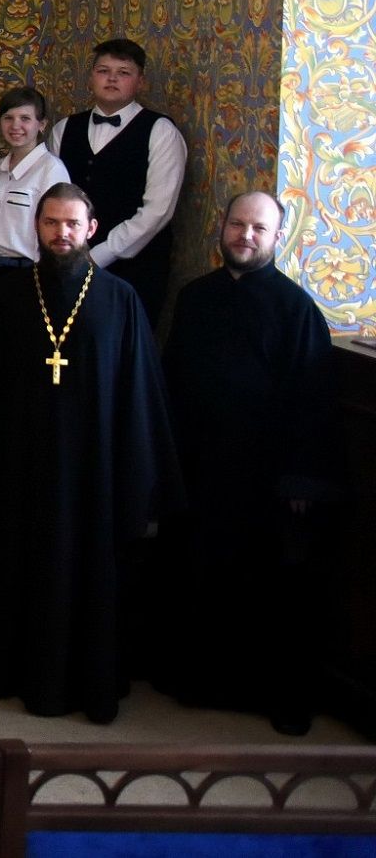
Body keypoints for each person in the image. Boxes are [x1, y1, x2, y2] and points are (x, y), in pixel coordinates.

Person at [0, 182, 180, 723]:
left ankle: (91, 682)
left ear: (91, 229)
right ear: (36, 227)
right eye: (51, 223)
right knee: (24, 564)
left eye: (72, 224)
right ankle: (17, 673)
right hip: (25, 460)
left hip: (96, 466)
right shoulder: (10, 295)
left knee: (91, 571)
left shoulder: (119, 298)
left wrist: (136, 473)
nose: (61, 233)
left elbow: (138, 391)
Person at [158, 192, 341, 734]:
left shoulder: (295, 309)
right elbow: (172, 380)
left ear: (277, 236)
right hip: (200, 469)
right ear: (223, 227)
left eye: (258, 228)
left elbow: (312, 402)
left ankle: (265, 695)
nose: (245, 236)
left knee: (264, 587)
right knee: (199, 575)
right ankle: (196, 683)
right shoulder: (195, 297)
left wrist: (300, 480)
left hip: (264, 477)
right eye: (238, 224)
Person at [48, 38, 187, 325]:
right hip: (67, 263)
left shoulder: (161, 131)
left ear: (140, 81)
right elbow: (50, 198)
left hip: (136, 270)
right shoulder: (64, 129)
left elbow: (157, 211)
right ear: (91, 77)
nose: (112, 79)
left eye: (123, 72)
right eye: (103, 71)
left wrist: (99, 255)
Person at [0, 87, 70, 281]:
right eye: (8, 118)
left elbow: (57, 227)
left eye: (25, 118)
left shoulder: (51, 169)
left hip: (27, 270)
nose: (15, 125)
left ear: (42, 124)